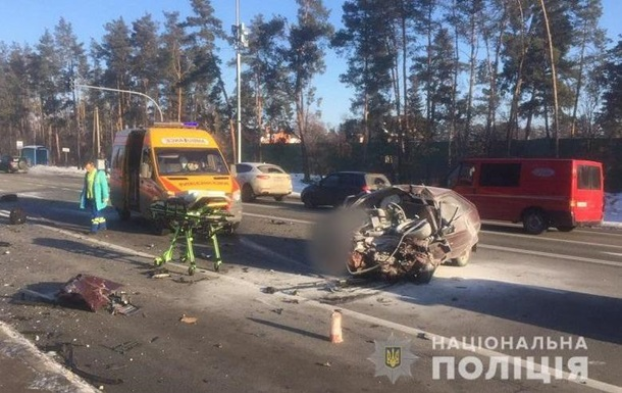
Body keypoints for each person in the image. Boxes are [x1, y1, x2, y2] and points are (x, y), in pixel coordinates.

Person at [79, 158, 110, 234]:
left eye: (88, 168)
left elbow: (104, 186)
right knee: (97, 212)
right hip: (90, 197)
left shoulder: (99, 174)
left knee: (94, 213)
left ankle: (94, 229)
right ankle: (103, 226)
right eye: (86, 168)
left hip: (97, 198)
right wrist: (83, 194)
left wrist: (106, 196)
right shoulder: (87, 174)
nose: (87, 169)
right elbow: (86, 186)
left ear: (92, 166)